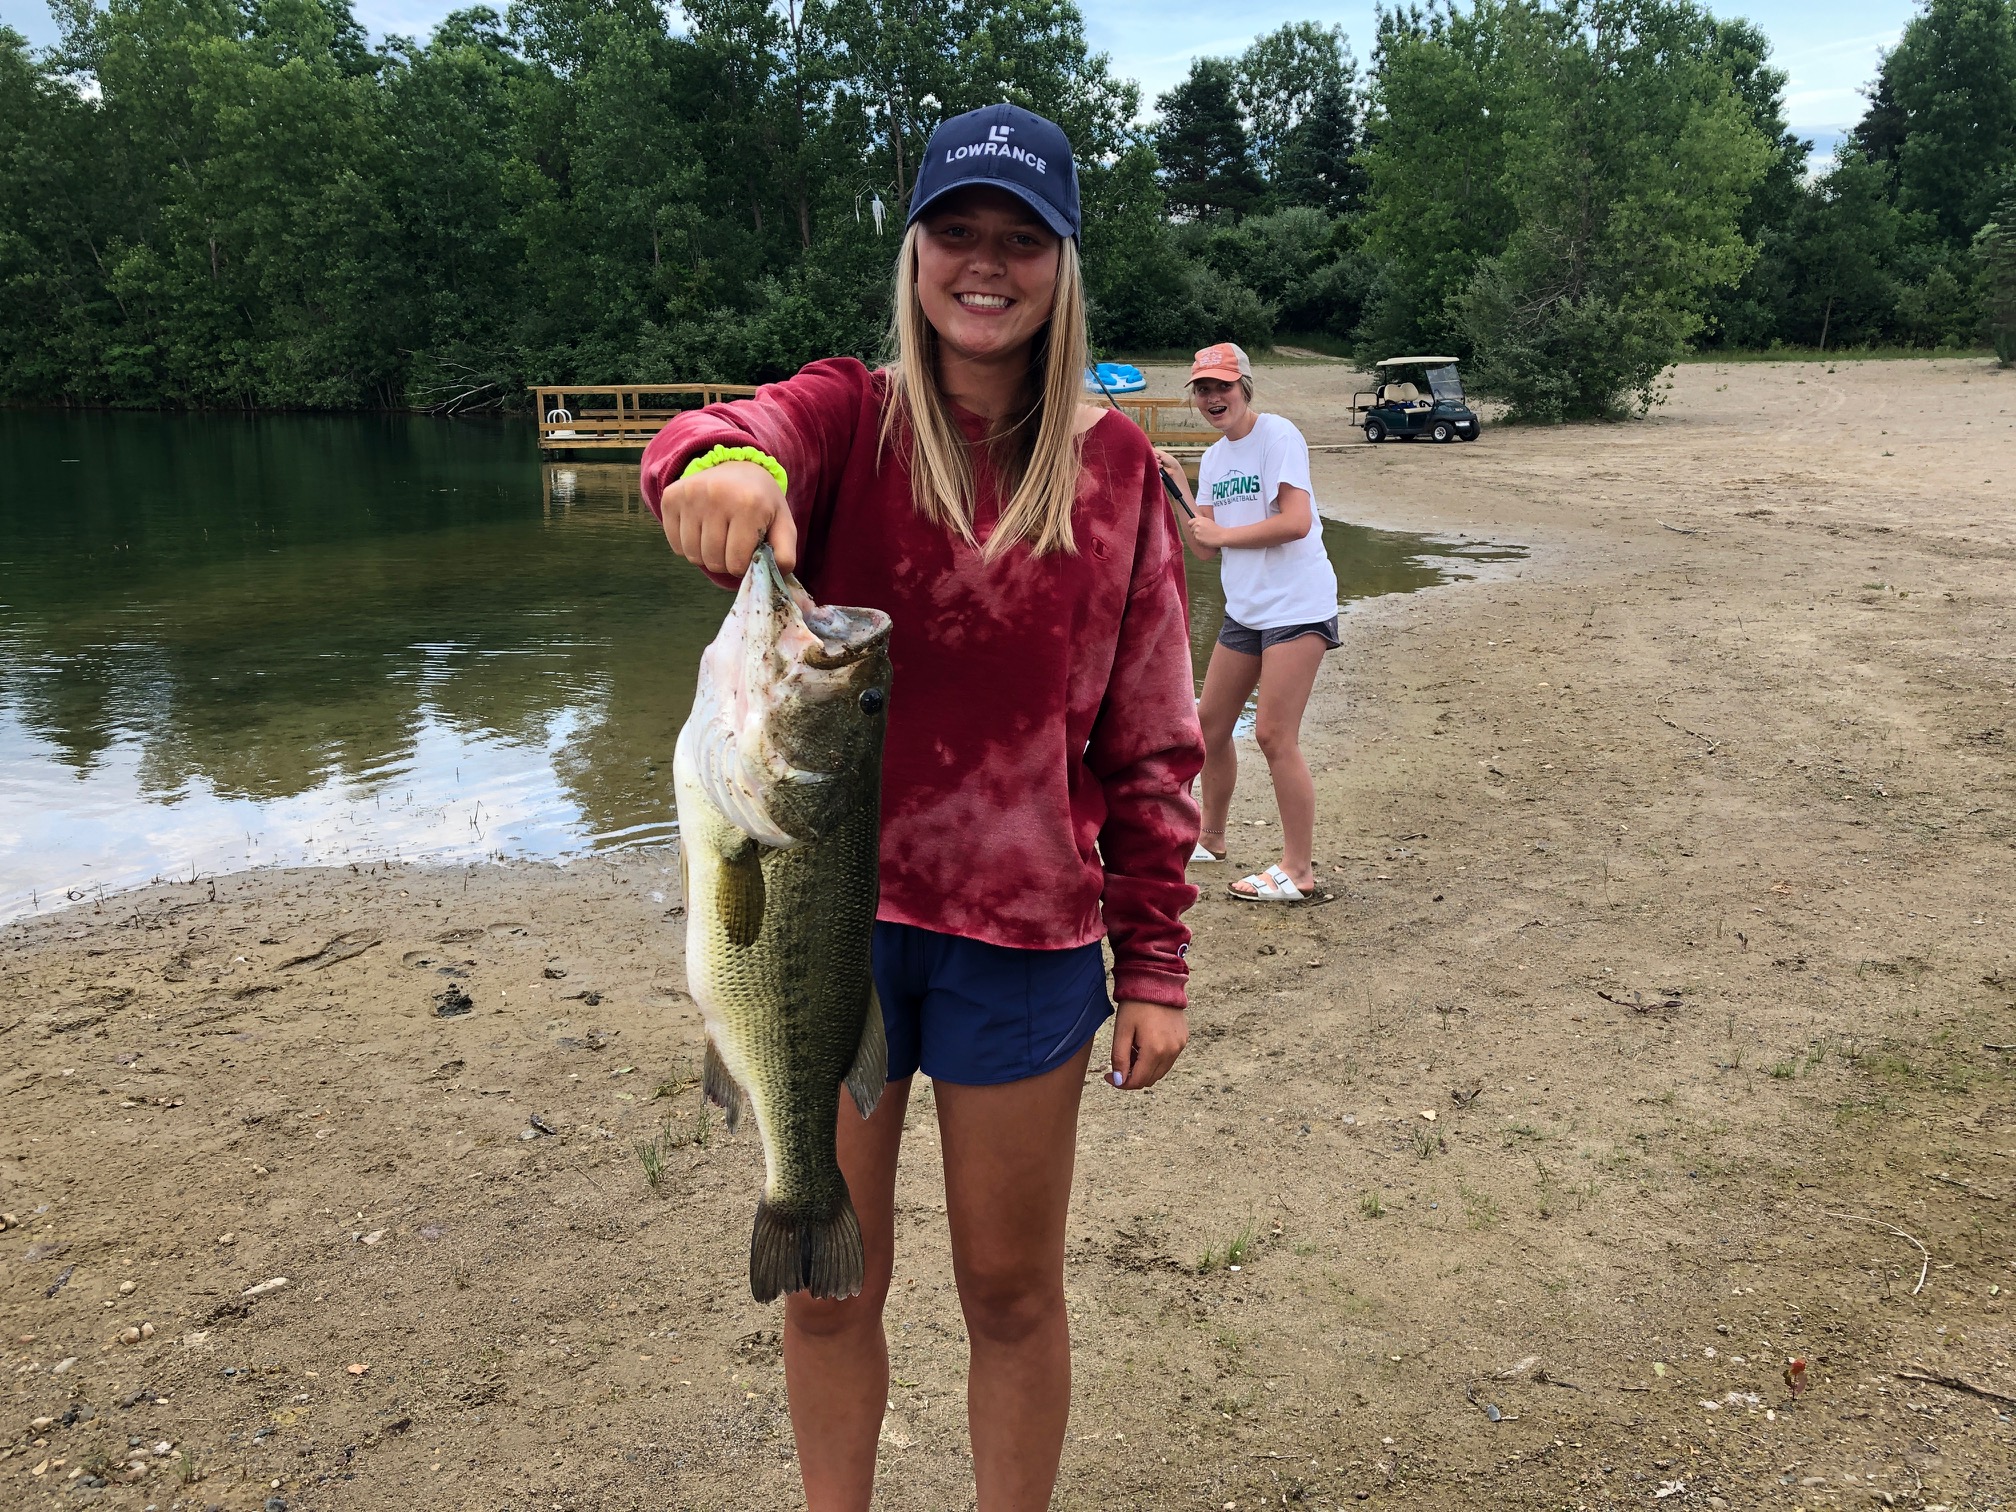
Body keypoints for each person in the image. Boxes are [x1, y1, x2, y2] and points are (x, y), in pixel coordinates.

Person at [637, 104, 1203, 1512]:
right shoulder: (846, 415)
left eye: (1023, 239)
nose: (987, 264)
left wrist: (1158, 959)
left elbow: (1150, 741)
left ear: (1065, 266)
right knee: (831, 1287)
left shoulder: (1117, 470)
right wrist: (721, 468)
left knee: (1013, 1292)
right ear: (915, 250)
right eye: (958, 231)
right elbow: (726, 433)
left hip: (1027, 939)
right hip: (837, 932)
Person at [1156, 343, 1339, 904]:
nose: (1214, 398)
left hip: (1298, 606)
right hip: (1246, 609)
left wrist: (1225, 536)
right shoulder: (1213, 460)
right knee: (1208, 726)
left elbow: (1297, 520)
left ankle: (1298, 870)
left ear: (1245, 388)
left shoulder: (1277, 435)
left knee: (1273, 734)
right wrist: (1178, 487)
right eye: (1204, 389)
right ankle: (1210, 838)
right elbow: (1205, 548)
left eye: (1223, 387)